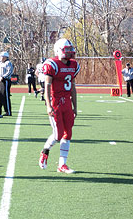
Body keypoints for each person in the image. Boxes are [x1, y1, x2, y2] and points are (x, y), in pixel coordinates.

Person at [38, 38, 80, 174]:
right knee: (58, 134)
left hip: (67, 103)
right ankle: (45, 151)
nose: (69, 52)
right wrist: (48, 106)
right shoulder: (52, 64)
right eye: (66, 50)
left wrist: (75, 106)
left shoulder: (73, 65)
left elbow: (73, 87)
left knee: (68, 134)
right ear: (59, 50)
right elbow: (47, 87)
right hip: (56, 103)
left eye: (70, 49)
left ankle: (62, 164)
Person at [0, 51, 14, 116]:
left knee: (5, 96)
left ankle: (8, 111)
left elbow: (10, 71)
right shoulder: (0, 63)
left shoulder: (8, 63)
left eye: (1, 56)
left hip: (5, 81)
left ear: (5, 57)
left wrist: (3, 77)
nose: (0, 57)